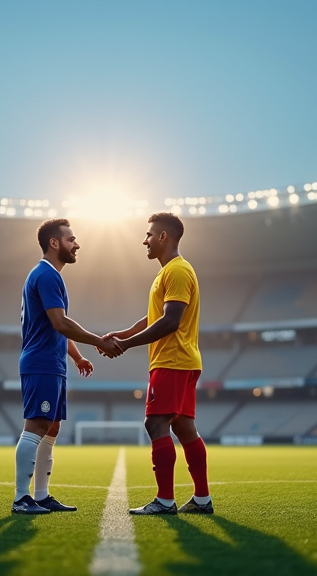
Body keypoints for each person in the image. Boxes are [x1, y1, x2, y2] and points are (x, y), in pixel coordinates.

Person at [103, 212, 212, 515]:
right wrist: (123, 334)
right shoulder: (169, 273)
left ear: (163, 236)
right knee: (185, 428)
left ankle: (165, 501)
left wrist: (125, 345)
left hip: (172, 360)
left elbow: (170, 321)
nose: (145, 241)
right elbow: (155, 316)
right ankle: (202, 499)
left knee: (155, 423)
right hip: (183, 360)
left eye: (149, 235)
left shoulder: (177, 270)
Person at [13, 218, 124, 514]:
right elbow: (60, 323)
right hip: (41, 362)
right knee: (37, 424)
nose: (77, 245)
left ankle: (41, 495)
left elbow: (56, 328)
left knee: (52, 427)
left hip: (53, 362)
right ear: (54, 243)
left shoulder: (49, 275)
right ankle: (21, 498)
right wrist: (98, 342)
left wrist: (76, 356)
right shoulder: (46, 275)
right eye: (71, 239)